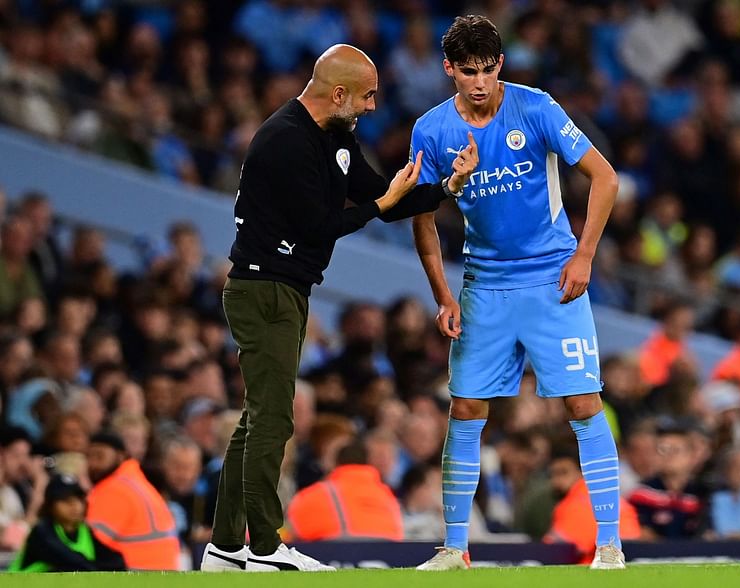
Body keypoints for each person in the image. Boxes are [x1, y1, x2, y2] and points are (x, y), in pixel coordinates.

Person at [200, 43, 478, 573]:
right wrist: (379, 205)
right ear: (340, 92)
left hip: (287, 289)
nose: (374, 107)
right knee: (273, 419)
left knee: (258, 419)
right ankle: (262, 547)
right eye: (369, 96)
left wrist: (445, 187)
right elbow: (322, 225)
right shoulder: (284, 141)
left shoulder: (334, 135)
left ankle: (225, 546)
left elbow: (382, 192)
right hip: (263, 289)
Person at [410, 16, 622, 570]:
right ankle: (454, 548)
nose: (478, 83)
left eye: (487, 70)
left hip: (555, 278)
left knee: (583, 403)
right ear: (449, 69)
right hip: (485, 285)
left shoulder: (537, 108)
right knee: (465, 408)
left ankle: (610, 544)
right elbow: (422, 217)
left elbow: (606, 177)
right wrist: (442, 294)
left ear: (499, 65)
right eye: (467, 72)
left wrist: (584, 254)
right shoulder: (431, 132)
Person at [85, 431, 180, 570]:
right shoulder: (134, 481)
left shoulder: (114, 490)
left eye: (100, 456)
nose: (92, 464)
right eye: (89, 457)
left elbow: (87, 543)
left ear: (120, 456)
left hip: (135, 576)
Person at [9, 473, 127, 572]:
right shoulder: (42, 532)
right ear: (50, 506)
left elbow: (117, 562)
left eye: (78, 499)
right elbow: (71, 562)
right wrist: (97, 567)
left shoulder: (84, 531)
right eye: (65, 500)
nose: (74, 505)